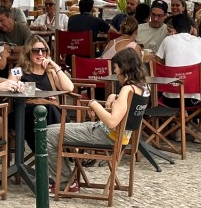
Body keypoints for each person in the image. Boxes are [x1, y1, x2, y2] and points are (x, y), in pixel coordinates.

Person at [43, 48, 148, 194]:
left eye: (116, 68)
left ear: (124, 67)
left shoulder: (127, 90)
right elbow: (125, 110)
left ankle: (64, 182)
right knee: (52, 128)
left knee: (45, 134)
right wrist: (113, 96)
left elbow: (112, 121)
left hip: (104, 136)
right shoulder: (142, 88)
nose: (115, 72)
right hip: (118, 137)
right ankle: (64, 177)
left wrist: (93, 103)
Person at [153, 13, 201, 101]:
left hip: (170, 99)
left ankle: (185, 113)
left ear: (174, 29)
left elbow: (156, 64)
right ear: (191, 28)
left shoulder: (167, 40)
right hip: (196, 100)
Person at [18, 35, 73, 150]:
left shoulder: (50, 72)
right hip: (25, 113)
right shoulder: (18, 69)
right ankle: (68, 146)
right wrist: (43, 98)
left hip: (49, 115)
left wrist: (55, 66)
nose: (40, 54)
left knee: (50, 109)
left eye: (43, 50)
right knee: (49, 108)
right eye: (36, 50)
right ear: (28, 52)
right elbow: (11, 84)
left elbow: (69, 88)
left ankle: (59, 147)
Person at [0, 7, 33, 75]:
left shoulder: (23, 29)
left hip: (19, 66)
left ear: (10, 17)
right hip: (0, 67)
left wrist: (11, 48)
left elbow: (32, 46)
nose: (0, 24)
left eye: (2, 21)